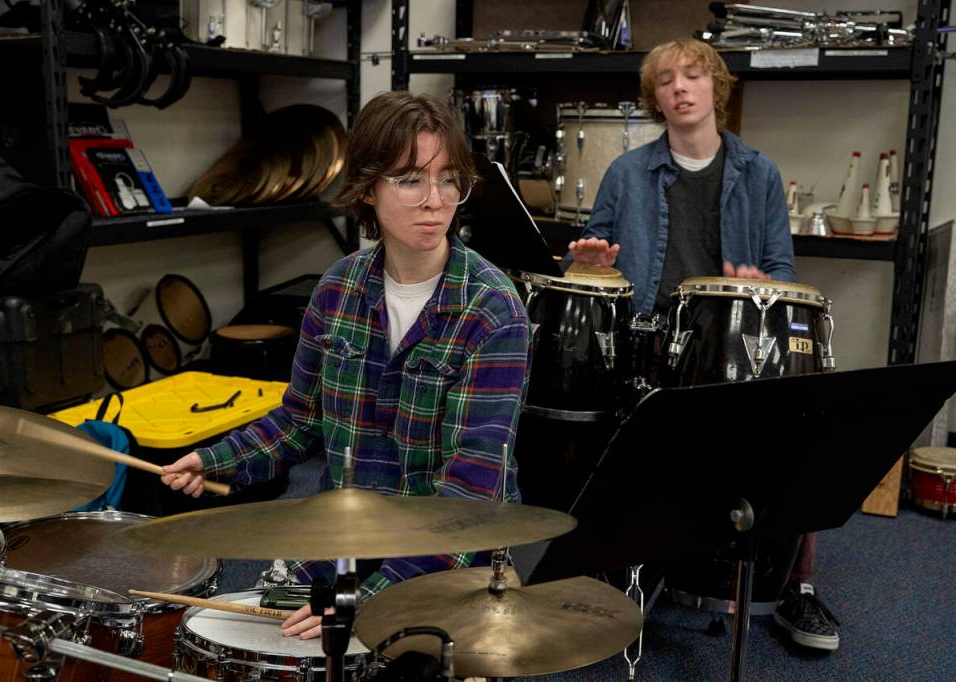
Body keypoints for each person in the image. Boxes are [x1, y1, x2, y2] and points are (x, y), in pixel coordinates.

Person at [161, 90, 529, 640]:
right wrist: (215, 460)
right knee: (245, 634)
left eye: (449, 178)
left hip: (451, 553)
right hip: (348, 540)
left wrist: (372, 600)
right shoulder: (336, 291)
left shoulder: (493, 310)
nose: (435, 200)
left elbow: (473, 492)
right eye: (410, 179)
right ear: (368, 188)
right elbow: (301, 420)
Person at [568, 39, 838, 651]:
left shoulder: (759, 171)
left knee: (806, 417)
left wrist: (764, 285)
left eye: (693, 76)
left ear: (717, 88)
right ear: (654, 98)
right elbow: (590, 263)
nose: (680, 88)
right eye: (665, 81)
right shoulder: (626, 173)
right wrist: (585, 262)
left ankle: (797, 586)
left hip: (732, 337)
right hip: (649, 336)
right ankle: (614, 566)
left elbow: (781, 269)